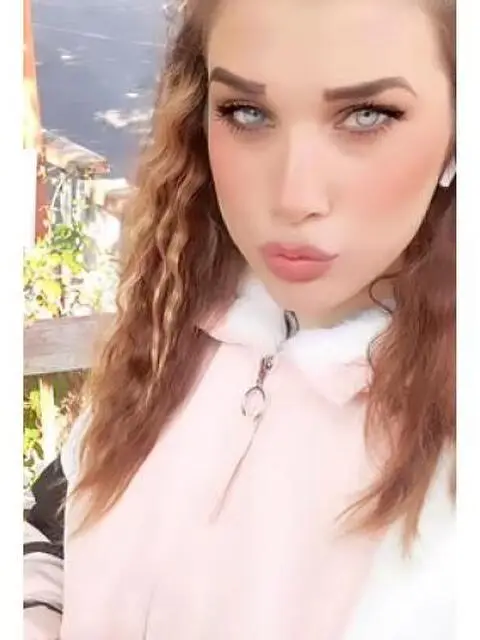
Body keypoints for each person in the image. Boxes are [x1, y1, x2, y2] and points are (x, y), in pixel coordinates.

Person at [24, 0, 456, 638]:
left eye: (368, 114)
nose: (294, 197)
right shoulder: (174, 322)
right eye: (247, 112)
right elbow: (51, 534)